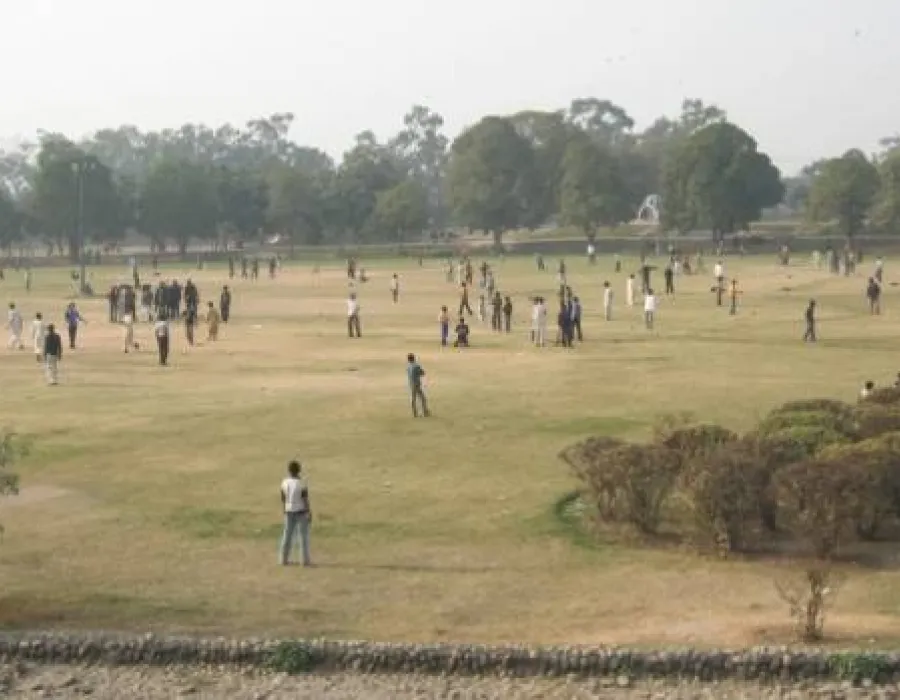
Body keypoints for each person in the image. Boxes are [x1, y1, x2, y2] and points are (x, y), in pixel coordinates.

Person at [279, 461, 312, 567]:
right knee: (303, 537)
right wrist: (308, 511)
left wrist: (284, 508)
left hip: (289, 510)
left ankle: (283, 559)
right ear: (299, 470)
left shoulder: (284, 482)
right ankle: (304, 561)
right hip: (300, 511)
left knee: (287, 535)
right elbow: (305, 499)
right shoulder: (301, 483)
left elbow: (283, 498)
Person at [406, 353, 430, 418]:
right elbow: (422, 373)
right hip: (416, 384)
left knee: (413, 399)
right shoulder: (416, 366)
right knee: (423, 398)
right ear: (414, 358)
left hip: (411, 384)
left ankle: (415, 413)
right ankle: (425, 412)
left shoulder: (408, 366)